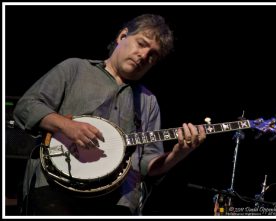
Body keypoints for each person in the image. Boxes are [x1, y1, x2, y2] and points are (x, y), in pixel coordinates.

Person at [13, 14, 206, 216]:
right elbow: (26, 107)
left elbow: (147, 163)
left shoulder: (148, 101)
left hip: (117, 203)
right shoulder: (75, 69)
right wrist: (65, 125)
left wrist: (177, 154)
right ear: (122, 36)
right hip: (55, 192)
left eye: (152, 55)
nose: (143, 55)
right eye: (141, 44)